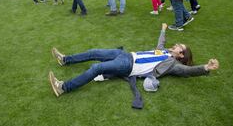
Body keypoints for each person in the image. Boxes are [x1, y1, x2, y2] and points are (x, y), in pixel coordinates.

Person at [49, 23, 219, 97]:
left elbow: (188, 71)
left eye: (178, 47)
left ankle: (64, 87)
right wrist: (163, 30)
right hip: (126, 55)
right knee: (94, 51)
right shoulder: (166, 53)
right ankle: (65, 60)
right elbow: (160, 44)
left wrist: (205, 68)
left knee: (96, 68)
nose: (175, 46)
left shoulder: (173, 65)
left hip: (129, 65)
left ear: (181, 55)